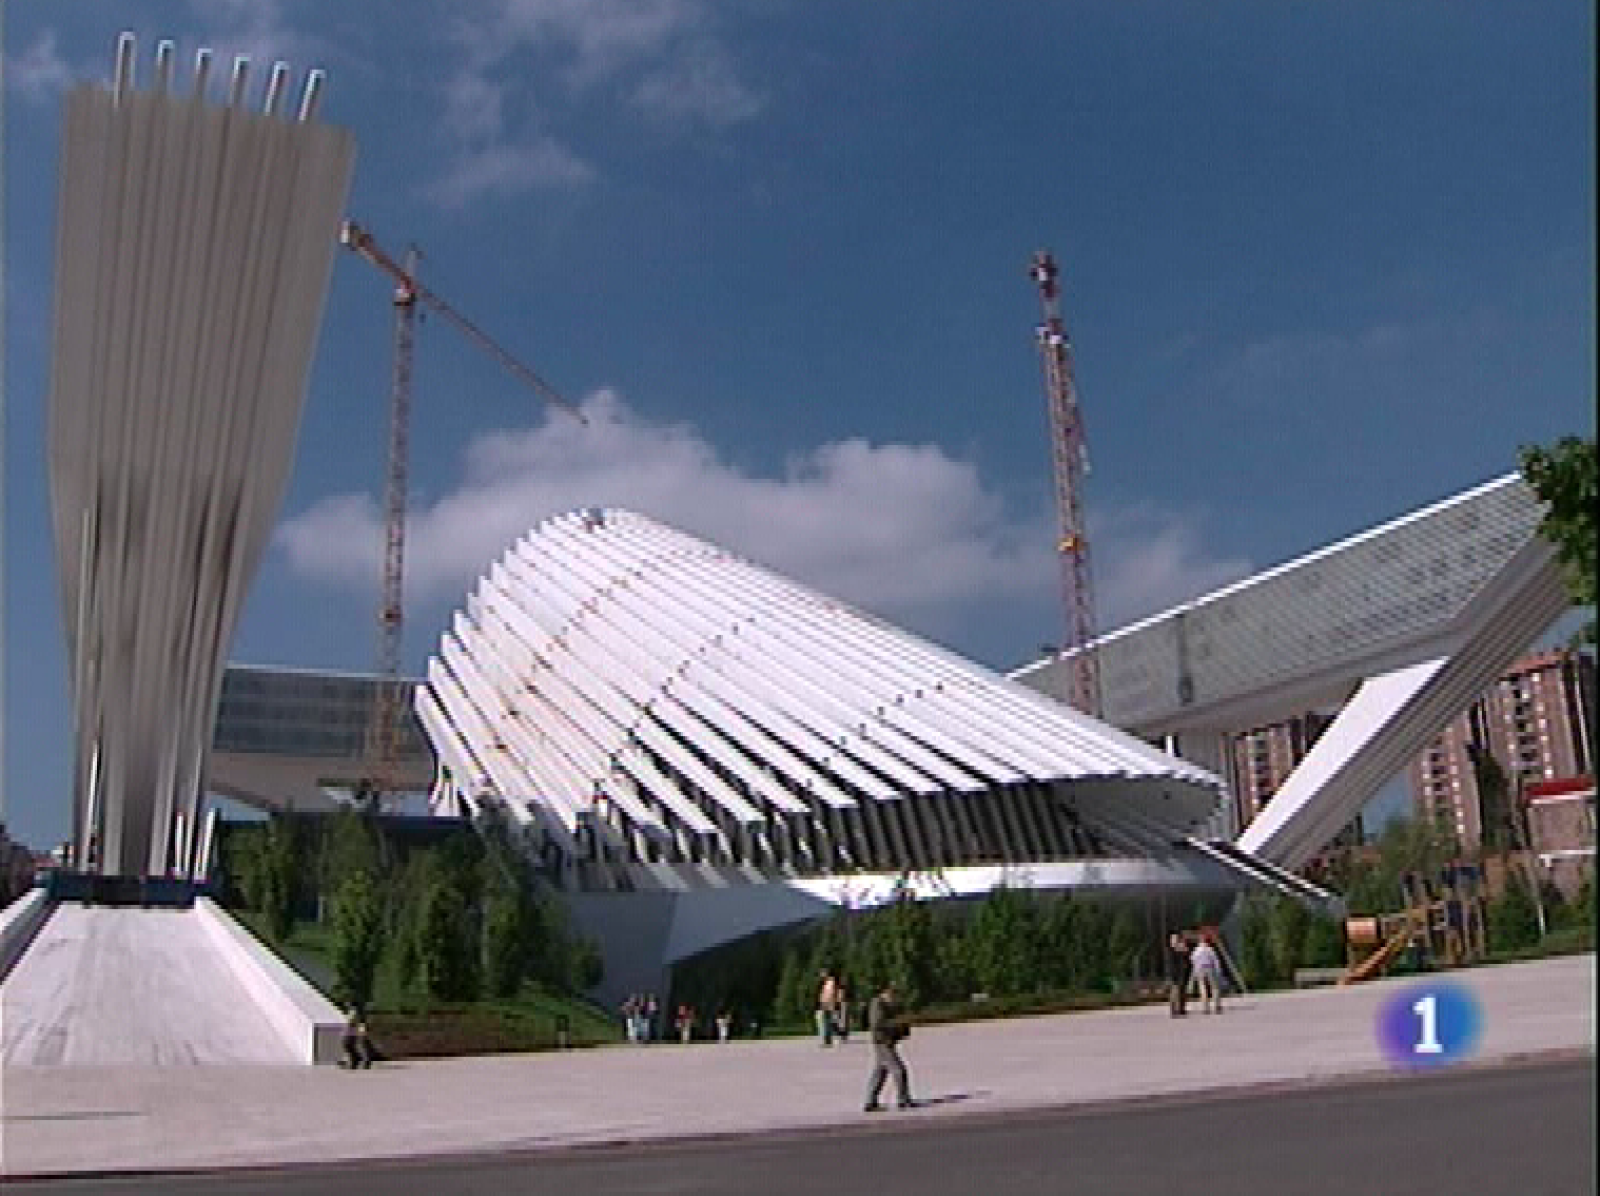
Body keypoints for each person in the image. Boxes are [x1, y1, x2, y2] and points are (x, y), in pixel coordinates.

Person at [863, 981, 914, 1112]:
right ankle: (903, 1099)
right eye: (892, 991)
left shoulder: (890, 1003)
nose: (894, 994)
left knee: (880, 1072)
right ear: (885, 991)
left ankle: (870, 1101)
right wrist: (897, 1023)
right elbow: (877, 1024)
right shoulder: (877, 1003)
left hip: (888, 1041)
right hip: (882, 1042)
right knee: (899, 1070)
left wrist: (903, 1028)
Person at [1191, 934, 1223, 1014]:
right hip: (1209, 968)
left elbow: (1193, 960)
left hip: (1200, 969)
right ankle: (1217, 1006)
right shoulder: (1209, 949)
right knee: (1214, 987)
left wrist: (1195, 972)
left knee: (1202, 988)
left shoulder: (1196, 950)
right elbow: (1215, 960)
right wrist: (1218, 970)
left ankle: (1205, 1007)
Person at [1165, 931, 1192, 1017]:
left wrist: (1185, 950)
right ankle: (1173, 1010)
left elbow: (1187, 957)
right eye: (1173, 939)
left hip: (1182, 972)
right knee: (1175, 990)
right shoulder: (1170, 949)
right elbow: (1171, 963)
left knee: (1182, 990)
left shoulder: (1181, 948)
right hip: (1173, 972)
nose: (1175, 940)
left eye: (1176, 938)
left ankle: (1181, 1008)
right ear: (1170, 940)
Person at [341, 1006, 374, 1070]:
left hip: (353, 1033)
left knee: (351, 1046)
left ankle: (360, 1060)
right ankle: (356, 1061)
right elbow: (350, 1023)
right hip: (352, 1033)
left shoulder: (354, 1013)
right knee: (350, 1047)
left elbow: (352, 1022)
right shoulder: (353, 1013)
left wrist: (361, 1032)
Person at [816, 970, 840, 1046]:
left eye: (823, 973)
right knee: (828, 1022)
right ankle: (828, 1040)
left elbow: (829, 994)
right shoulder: (827, 983)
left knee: (827, 1023)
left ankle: (828, 1041)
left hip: (828, 1005)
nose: (821, 975)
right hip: (828, 1004)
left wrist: (825, 1003)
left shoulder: (830, 983)